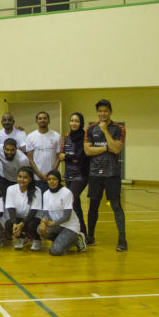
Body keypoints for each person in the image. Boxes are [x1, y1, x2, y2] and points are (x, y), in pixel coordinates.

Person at [84, 99, 127, 251]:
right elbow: (88, 151)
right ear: (97, 112)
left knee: (115, 205)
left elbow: (116, 149)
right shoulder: (90, 129)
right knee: (93, 207)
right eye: (100, 111)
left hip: (112, 173)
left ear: (110, 112)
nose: (102, 113)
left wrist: (105, 132)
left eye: (105, 111)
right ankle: (90, 237)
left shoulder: (119, 128)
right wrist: (105, 148)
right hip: (95, 173)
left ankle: (122, 240)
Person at [38, 170, 87, 256]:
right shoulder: (46, 194)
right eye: (49, 179)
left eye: (54, 179)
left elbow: (67, 216)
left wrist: (53, 223)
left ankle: (77, 239)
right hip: (57, 225)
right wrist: (43, 221)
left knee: (55, 251)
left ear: (59, 180)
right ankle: (60, 240)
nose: (51, 181)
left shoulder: (66, 193)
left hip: (69, 226)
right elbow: (46, 212)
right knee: (40, 229)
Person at [59, 112, 89, 234]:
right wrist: (69, 157)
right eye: (72, 120)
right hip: (68, 175)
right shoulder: (66, 137)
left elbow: (80, 156)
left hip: (81, 175)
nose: (74, 123)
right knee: (75, 203)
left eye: (76, 121)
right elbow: (61, 156)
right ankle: (78, 230)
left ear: (81, 123)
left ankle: (82, 231)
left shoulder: (85, 137)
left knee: (72, 199)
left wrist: (67, 156)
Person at [5, 166, 43, 251]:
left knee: (31, 225)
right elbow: (11, 209)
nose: (22, 179)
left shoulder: (36, 190)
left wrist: (21, 224)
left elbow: (33, 211)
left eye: (25, 177)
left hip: (32, 219)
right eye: (20, 177)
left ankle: (37, 239)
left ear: (30, 179)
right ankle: (21, 238)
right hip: (19, 218)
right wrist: (15, 224)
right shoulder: (11, 189)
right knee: (8, 224)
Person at [25, 111, 61, 191]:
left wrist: (51, 173)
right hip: (37, 178)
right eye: (40, 118)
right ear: (36, 121)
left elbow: (59, 157)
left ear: (49, 120)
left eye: (45, 118)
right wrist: (39, 174)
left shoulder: (56, 136)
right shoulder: (30, 137)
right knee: (39, 201)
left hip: (53, 178)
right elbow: (30, 158)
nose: (42, 120)